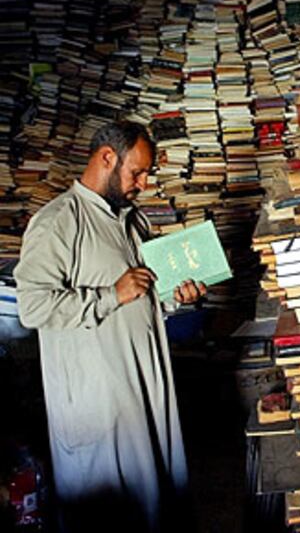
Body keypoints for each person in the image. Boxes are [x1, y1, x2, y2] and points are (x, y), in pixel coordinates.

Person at [14, 121, 207, 532]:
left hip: (144, 389)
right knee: (109, 516)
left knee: (156, 504)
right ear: (106, 158)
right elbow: (32, 307)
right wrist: (109, 295)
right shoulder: (58, 222)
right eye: (136, 172)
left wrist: (177, 296)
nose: (143, 182)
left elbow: (143, 292)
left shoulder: (133, 220)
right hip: (97, 403)